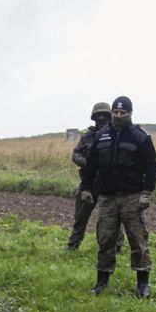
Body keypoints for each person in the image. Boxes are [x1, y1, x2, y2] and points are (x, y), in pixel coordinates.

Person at [82, 95, 156, 297]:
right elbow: (91, 165)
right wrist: (87, 188)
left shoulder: (140, 136)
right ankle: (102, 282)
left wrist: (147, 192)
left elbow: (152, 166)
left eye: (122, 113)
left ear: (130, 113)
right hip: (107, 198)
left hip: (132, 197)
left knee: (137, 239)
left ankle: (143, 284)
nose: (118, 116)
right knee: (105, 238)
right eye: (115, 112)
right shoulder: (102, 136)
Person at [66, 102, 112, 251]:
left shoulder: (115, 134)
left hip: (109, 184)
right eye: (98, 115)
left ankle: (115, 247)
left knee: (111, 219)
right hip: (88, 183)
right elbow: (75, 154)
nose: (101, 118)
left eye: (104, 115)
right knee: (80, 216)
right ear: (94, 118)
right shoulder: (87, 136)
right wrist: (87, 164)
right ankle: (73, 245)